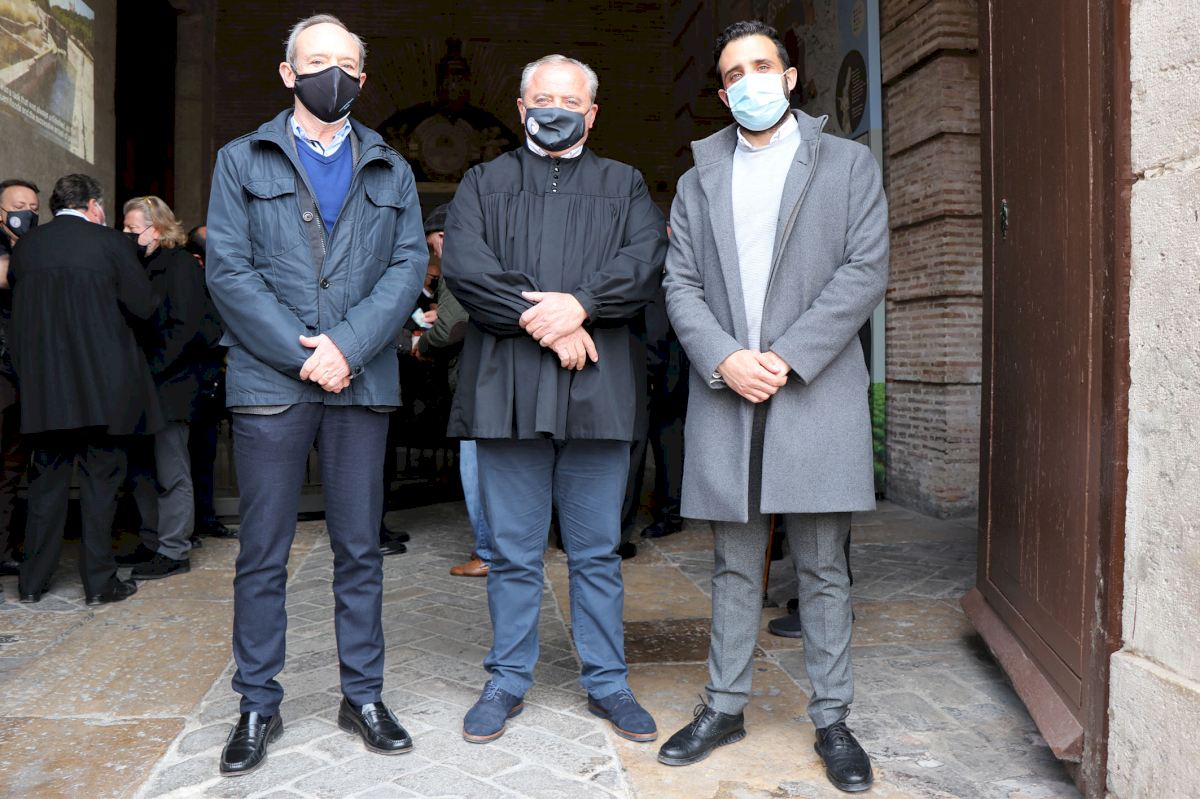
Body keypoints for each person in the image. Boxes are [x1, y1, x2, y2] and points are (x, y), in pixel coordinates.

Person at [658, 22, 889, 793]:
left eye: (763, 65)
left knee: (821, 565)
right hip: (729, 389)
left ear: (789, 77)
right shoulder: (698, 180)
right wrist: (724, 357)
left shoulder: (847, 164)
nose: (750, 80)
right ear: (723, 94)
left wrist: (786, 356)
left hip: (812, 387)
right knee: (733, 562)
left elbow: (865, 269)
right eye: (734, 73)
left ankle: (833, 719)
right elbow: (680, 283)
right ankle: (723, 707)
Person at [205, 14, 426, 776]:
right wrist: (306, 353)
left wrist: (347, 347)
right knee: (262, 550)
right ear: (287, 73)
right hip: (272, 379)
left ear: (362, 78)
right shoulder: (241, 159)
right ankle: (257, 702)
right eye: (315, 59)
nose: (330, 72)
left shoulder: (391, 168)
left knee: (359, 547)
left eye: (344, 62)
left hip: (359, 380)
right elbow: (228, 270)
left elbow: (406, 268)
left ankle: (362, 694)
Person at [442, 53, 666, 745]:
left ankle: (608, 681)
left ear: (592, 114)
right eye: (543, 98)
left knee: (596, 550)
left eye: (570, 101)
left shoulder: (625, 184)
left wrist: (583, 305)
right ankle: (508, 678)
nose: (555, 110)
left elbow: (645, 263)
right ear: (521, 107)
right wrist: (551, 322)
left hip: (598, 385)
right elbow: (467, 270)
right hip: (508, 385)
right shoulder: (483, 182)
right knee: (513, 552)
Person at [8, 173, 161, 605]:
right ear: (94, 206)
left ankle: (31, 583)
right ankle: (99, 584)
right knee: (100, 487)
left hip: (45, 391)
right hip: (102, 390)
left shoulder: (28, 247)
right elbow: (144, 308)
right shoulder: (111, 243)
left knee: (45, 487)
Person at [121, 196, 211, 580]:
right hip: (140, 384)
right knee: (141, 468)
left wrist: (150, 371)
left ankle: (174, 549)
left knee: (171, 470)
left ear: (155, 230)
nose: (125, 235)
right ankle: (152, 540)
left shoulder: (180, 266)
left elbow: (184, 328)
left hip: (169, 384)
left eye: (132, 229)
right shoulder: (134, 265)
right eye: (124, 228)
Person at [414, 204, 490, 578]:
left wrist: (423, 343)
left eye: (434, 246)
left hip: (475, 383)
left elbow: (452, 329)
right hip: (497, 380)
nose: (436, 255)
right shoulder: (490, 260)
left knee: (475, 468)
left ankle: (488, 552)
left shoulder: (458, 268)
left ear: (444, 236)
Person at [183, 224, 237, 542]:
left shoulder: (219, 280)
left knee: (205, 455)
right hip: (188, 380)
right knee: (185, 458)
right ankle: (187, 525)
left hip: (211, 381)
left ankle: (205, 517)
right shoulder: (187, 281)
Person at [0, 178, 39, 581]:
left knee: (11, 468)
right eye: (18, 206)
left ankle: (4, 550)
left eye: (33, 208)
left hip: (20, 370)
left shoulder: (29, 245)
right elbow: (5, 277)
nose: (27, 213)